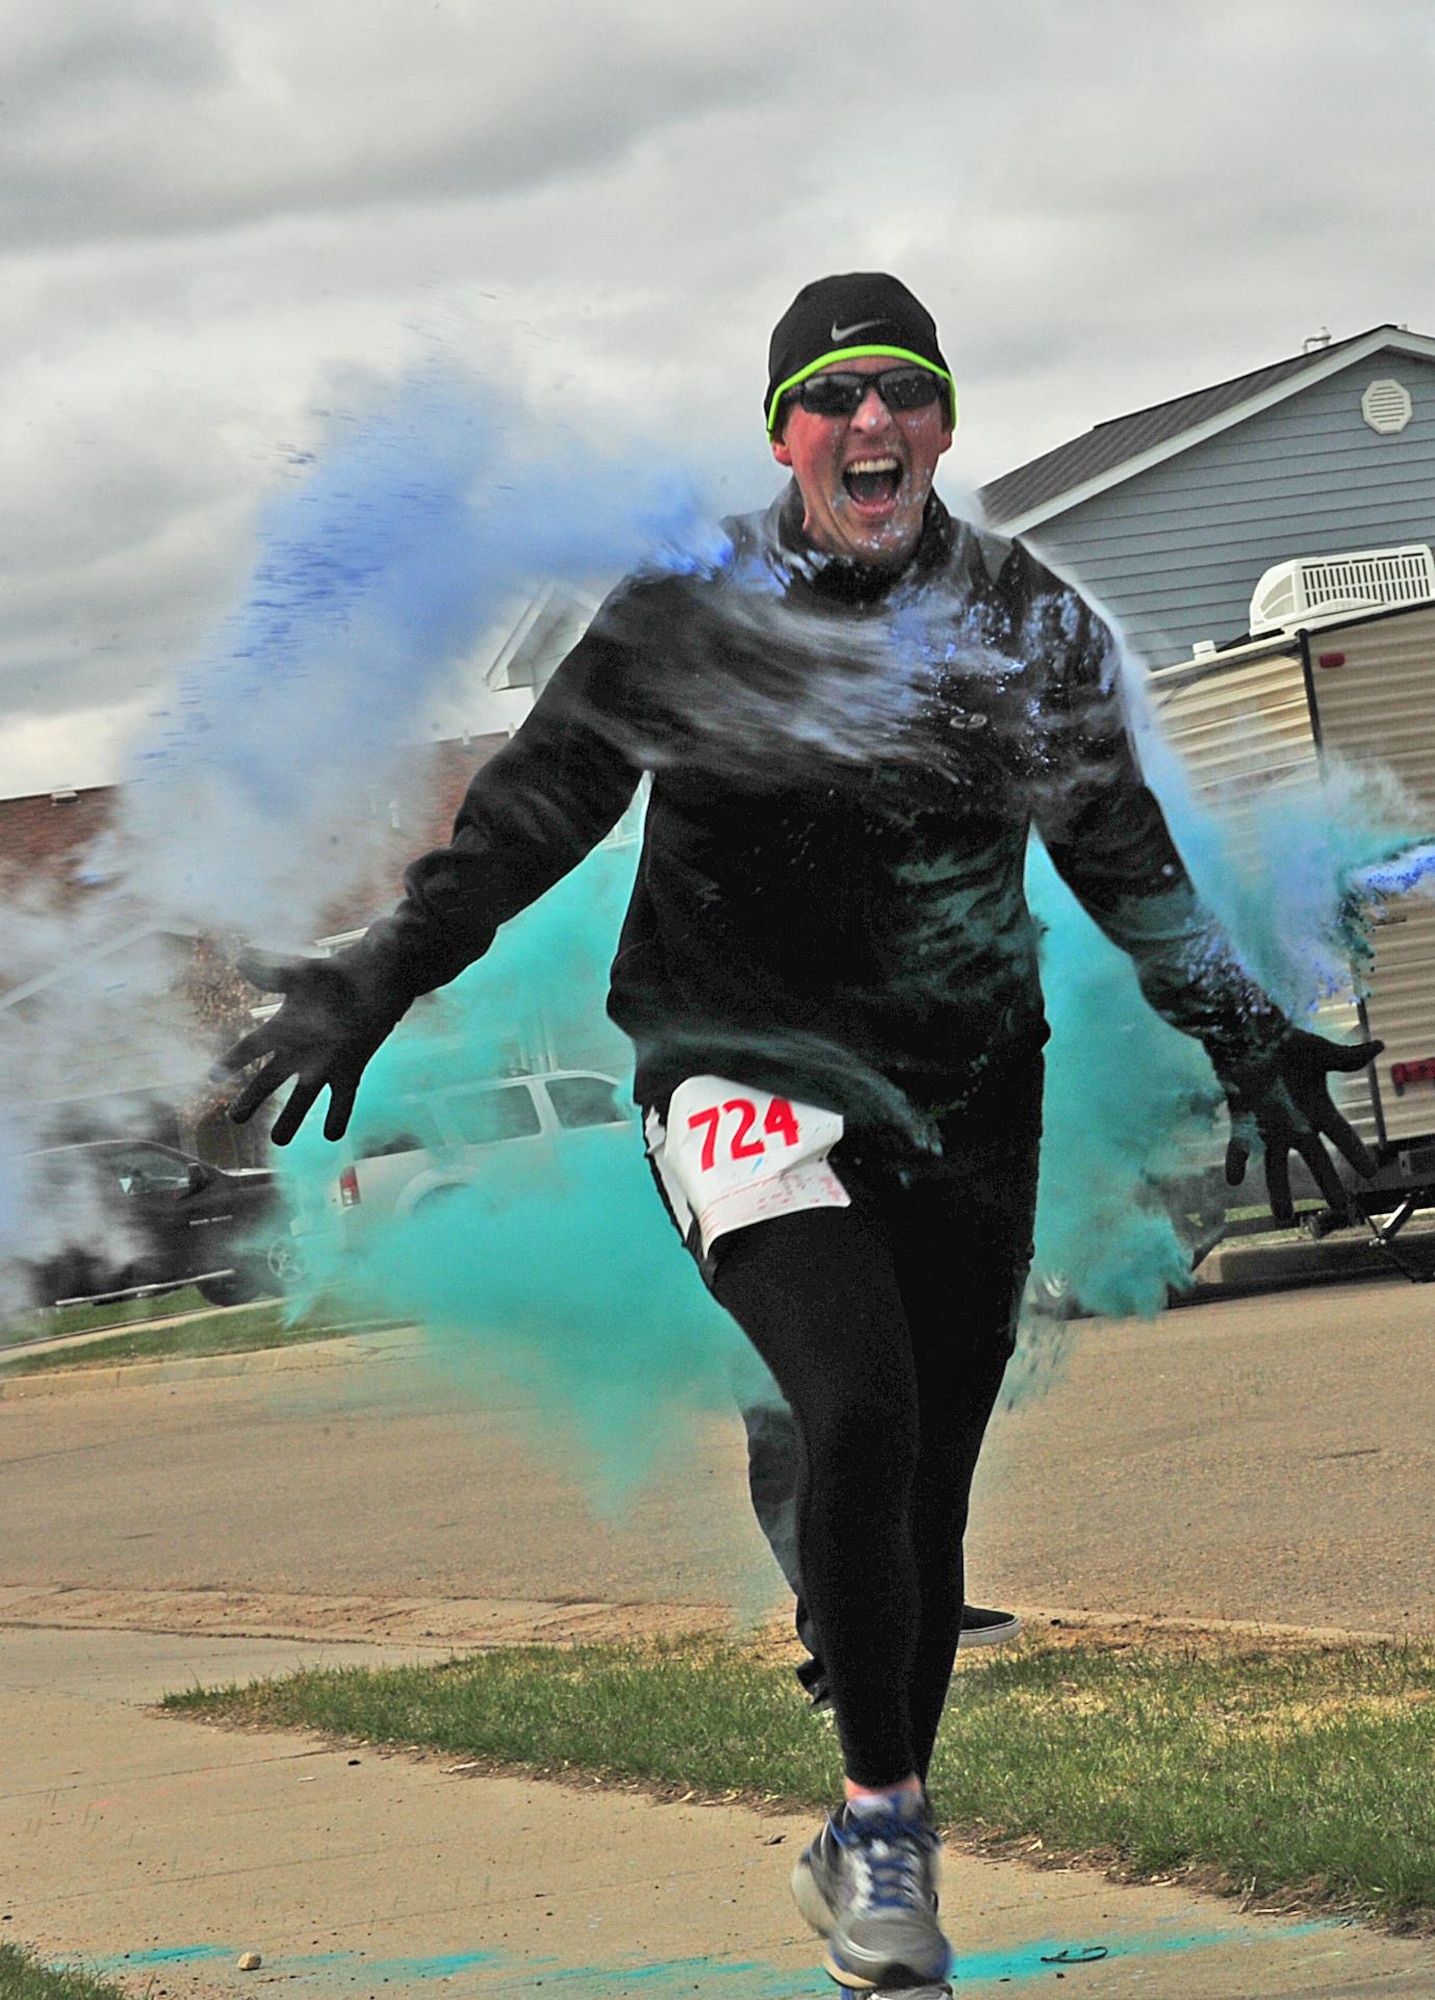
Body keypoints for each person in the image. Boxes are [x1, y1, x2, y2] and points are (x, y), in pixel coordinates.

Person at [222, 272, 1378, 1997]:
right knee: (857, 1407)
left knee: (925, 1507)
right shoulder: (690, 615)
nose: (870, 421)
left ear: (942, 427)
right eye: (833, 393)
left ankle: (858, 1834)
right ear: (784, 432)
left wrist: (1243, 1028)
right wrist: (384, 973)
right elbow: (537, 808)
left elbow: (1119, 851)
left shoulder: (1027, 624)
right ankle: (891, 1832)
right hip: (735, 1063)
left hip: (974, 1087)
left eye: (903, 389)